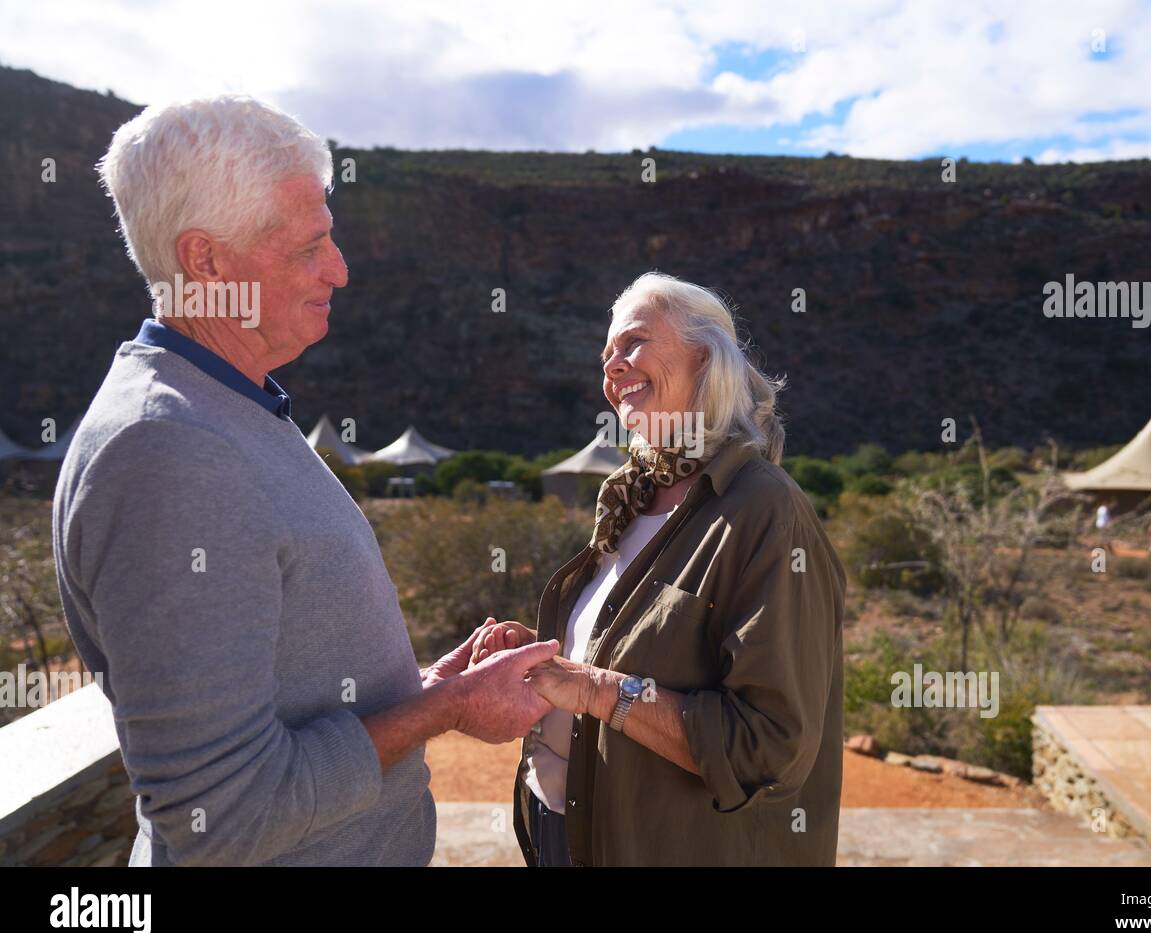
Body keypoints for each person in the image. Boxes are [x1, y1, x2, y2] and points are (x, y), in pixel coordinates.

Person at [52, 95, 555, 866]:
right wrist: (448, 708)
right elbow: (218, 818)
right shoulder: (170, 450)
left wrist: (427, 685)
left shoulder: (226, 408)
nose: (340, 270)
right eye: (310, 246)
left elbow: (283, 685)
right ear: (207, 261)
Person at [473, 272, 846, 865]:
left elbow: (770, 747)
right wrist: (546, 660)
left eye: (634, 343)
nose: (613, 366)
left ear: (706, 360)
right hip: (565, 829)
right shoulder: (630, 499)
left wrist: (593, 688)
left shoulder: (765, 510)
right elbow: (628, 650)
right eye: (607, 355)